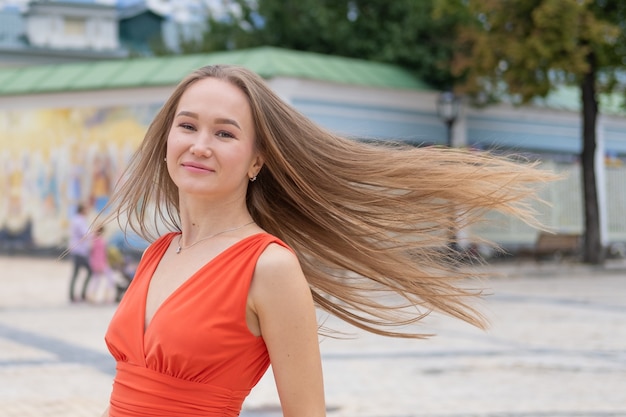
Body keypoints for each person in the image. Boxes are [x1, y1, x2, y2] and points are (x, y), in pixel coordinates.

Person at [96, 65, 554, 417]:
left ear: (257, 160)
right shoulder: (159, 252)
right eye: (188, 126)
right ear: (167, 137)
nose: (200, 145)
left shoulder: (268, 267)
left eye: (225, 133)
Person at [68, 203, 92, 302]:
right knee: (89, 271)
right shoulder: (80, 221)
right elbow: (86, 234)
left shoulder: (75, 219)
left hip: (77, 250)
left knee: (76, 273)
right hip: (80, 251)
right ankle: (80, 294)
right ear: (82, 210)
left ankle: (74, 295)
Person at [87, 225, 116, 303]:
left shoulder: (94, 239)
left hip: (98, 262)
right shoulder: (98, 240)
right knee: (109, 278)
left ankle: (92, 295)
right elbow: (99, 253)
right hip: (100, 262)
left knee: (97, 279)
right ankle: (107, 294)